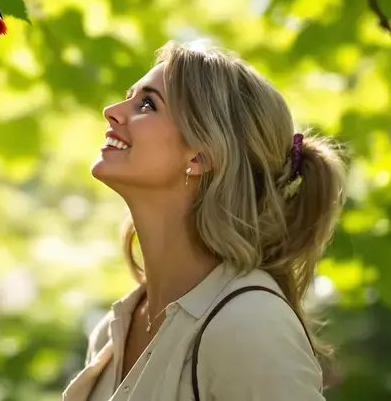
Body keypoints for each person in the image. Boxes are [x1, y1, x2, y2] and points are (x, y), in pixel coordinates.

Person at [62, 41, 346, 401]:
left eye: (147, 104)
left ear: (200, 156)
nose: (111, 111)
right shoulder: (111, 333)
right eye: (128, 97)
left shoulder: (252, 326)